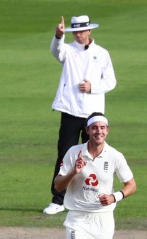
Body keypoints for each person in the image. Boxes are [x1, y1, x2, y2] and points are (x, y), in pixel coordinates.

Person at [43, 16, 116, 215]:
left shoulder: (101, 53)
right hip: (70, 110)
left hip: (93, 114)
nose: (79, 35)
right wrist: (58, 36)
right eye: (75, 32)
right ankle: (58, 200)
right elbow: (56, 51)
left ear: (90, 31)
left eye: (82, 31)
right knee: (64, 154)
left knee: (94, 155)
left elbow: (111, 81)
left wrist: (92, 87)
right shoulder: (68, 49)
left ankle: (94, 197)